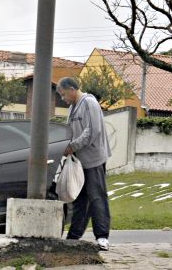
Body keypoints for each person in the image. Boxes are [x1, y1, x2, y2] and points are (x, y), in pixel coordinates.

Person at [58, 76, 111, 251]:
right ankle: (74, 236)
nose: (63, 98)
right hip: (79, 161)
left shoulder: (89, 102)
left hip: (94, 159)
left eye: (63, 94)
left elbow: (92, 131)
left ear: (72, 89)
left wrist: (72, 146)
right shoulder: (72, 108)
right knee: (80, 199)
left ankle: (102, 237)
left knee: (97, 197)